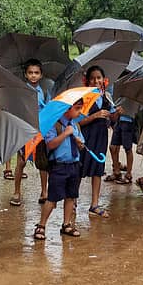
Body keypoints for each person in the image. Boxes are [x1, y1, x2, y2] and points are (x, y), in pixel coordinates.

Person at [33, 98, 86, 240]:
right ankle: (41, 225)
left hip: (74, 164)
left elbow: (82, 144)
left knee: (71, 196)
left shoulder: (75, 125)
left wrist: (79, 143)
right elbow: (50, 144)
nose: (79, 112)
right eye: (77, 108)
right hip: (59, 166)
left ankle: (66, 224)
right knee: (52, 198)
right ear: (68, 108)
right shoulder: (54, 125)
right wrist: (65, 134)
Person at [79, 65, 117, 218]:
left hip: (101, 136)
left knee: (98, 169)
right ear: (87, 81)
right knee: (80, 167)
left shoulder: (106, 96)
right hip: (86, 136)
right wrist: (95, 116)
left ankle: (94, 204)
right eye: (92, 78)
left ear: (104, 80)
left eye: (98, 78)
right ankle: (72, 201)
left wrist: (117, 114)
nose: (96, 81)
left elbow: (112, 119)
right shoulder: (84, 97)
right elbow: (78, 122)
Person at [10, 59, 49, 206]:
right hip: (25, 130)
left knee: (42, 162)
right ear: (26, 75)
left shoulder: (44, 92)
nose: (33, 75)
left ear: (41, 75)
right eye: (30, 73)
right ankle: (17, 192)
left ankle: (44, 191)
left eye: (36, 73)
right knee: (21, 161)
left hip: (40, 130)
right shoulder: (21, 91)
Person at [107, 97, 135, 185]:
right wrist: (117, 111)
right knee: (112, 147)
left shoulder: (135, 94)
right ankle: (117, 171)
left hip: (128, 121)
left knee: (128, 148)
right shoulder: (121, 94)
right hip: (119, 121)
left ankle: (128, 174)